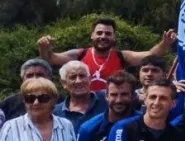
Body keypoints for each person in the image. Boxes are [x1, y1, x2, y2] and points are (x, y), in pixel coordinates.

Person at [37, 18, 177, 92]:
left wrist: (165, 43)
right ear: (92, 35)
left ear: (114, 37)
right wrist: (44, 48)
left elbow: (150, 55)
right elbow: (50, 58)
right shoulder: (79, 54)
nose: (103, 36)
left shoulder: (122, 56)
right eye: (99, 33)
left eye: (108, 34)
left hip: (114, 109)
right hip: (86, 107)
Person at [54, 60, 108, 132]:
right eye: (73, 77)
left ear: (89, 79)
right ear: (64, 83)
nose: (78, 81)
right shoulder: (56, 113)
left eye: (82, 76)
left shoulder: (106, 100)